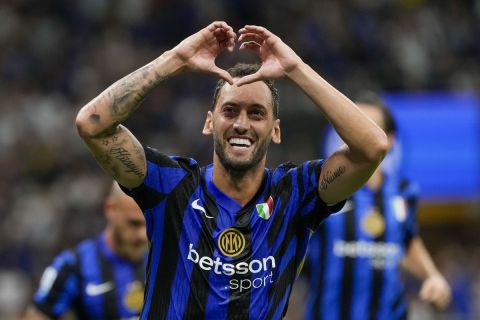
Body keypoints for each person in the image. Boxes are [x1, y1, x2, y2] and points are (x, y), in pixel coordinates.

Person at [74, 21, 388, 319]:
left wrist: (296, 70)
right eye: (230, 111)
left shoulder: (295, 194)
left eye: (256, 113)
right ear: (210, 123)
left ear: (275, 130)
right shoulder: (171, 185)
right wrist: (174, 59)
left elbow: (372, 147)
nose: (241, 124)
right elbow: (92, 125)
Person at [302, 93, 451, 320]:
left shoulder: (404, 191)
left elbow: (407, 239)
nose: (359, 135)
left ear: (389, 141)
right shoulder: (324, 189)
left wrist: (432, 276)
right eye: (352, 125)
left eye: (369, 128)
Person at [22, 182, 147, 320]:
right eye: (134, 223)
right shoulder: (73, 266)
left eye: (149, 224)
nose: (142, 235)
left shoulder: (166, 261)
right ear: (110, 209)